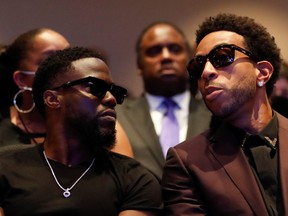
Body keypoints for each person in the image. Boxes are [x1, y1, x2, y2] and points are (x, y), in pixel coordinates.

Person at [0, 46, 162, 216]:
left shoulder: (135, 178)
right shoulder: (6, 166)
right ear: (53, 99)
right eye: (95, 88)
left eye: (115, 92)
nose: (111, 99)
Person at [162, 13, 288, 215]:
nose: (206, 72)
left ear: (262, 72)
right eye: (198, 65)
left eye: (222, 57)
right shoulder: (187, 161)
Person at [0, 28, 133, 157]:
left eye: (68, 59)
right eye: (50, 60)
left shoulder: (95, 120)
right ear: (21, 79)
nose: (65, 69)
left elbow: (125, 174)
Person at [116, 22, 211, 180]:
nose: (166, 56)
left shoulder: (214, 114)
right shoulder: (117, 116)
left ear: (189, 60)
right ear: (139, 65)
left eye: (175, 49)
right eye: (154, 51)